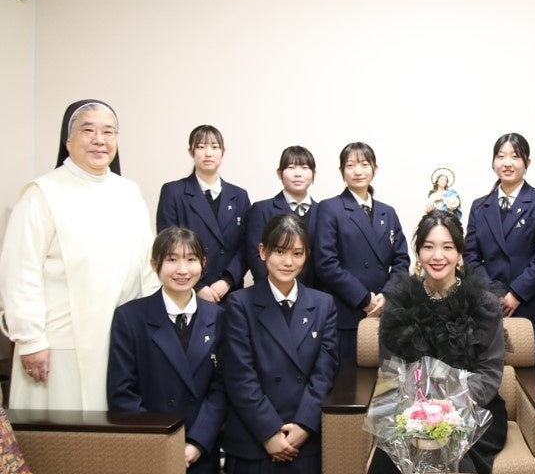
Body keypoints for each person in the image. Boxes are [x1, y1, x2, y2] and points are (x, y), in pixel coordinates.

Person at [0, 99, 158, 411]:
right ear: (68, 140)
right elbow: (20, 271)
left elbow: (147, 267)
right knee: (63, 432)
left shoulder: (129, 192)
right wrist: (31, 340)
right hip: (59, 346)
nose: (100, 140)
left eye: (108, 132)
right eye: (89, 130)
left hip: (119, 338)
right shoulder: (42, 193)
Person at [366, 210, 507, 474]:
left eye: (447, 247)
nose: (438, 256)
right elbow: (392, 371)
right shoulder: (399, 303)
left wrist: (446, 409)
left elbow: (489, 374)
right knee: (387, 462)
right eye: (429, 247)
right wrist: (419, 412)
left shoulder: (484, 304)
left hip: (471, 412)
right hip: (411, 411)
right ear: (418, 253)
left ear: (460, 252)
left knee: (452, 456)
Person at [220, 214, 339, 474]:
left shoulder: (323, 304)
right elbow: (239, 377)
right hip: (255, 441)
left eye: (297, 253)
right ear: (263, 252)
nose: (288, 262)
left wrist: (304, 426)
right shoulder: (239, 304)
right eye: (280, 252)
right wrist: (269, 432)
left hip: (303, 442)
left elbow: (324, 372)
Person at [107, 227, 226, 474]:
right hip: (151, 453)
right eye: (172, 259)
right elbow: (122, 392)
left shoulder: (219, 317)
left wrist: (196, 443)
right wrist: (162, 445)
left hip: (201, 453)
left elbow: (221, 389)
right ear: (154, 264)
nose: (182, 270)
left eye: (191, 259)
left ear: (203, 263)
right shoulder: (130, 317)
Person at [464, 133, 535, 367]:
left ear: (527, 162)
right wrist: (494, 294)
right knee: (491, 373)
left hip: (532, 305)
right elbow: (470, 256)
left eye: (515, 157)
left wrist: (516, 294)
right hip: (490, 306)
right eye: (501, 156)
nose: (507, 163)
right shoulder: (480, 206)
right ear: (493, 162)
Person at [314, 142, 410, 363]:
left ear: (375, 169)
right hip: (346, 311)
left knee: (386, 375)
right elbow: (326, 263)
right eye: (350, 165)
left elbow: (401, 259)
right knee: (347, 378)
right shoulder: (330, 208)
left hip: (384, 310)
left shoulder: (388, 212)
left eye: (364, 164)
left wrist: (387, 295)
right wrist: (363, 298)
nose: (358, 171)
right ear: (342, 171)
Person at [156, 125, 251, 304]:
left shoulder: (239, 196)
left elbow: (246, 246)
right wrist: (198, 286)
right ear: (191, 152)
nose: (208, 153)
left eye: (215, 147)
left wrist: (227, 280)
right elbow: (167, 244)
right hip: (187, 289)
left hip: (230, 292)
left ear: (223, 152)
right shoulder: (173, 192)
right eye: (201, 147)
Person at [245, 145, 319, 286]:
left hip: (315, 293)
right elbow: (255, 257)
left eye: (304, 168)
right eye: (291, 167)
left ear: (314, 174)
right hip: (270, 291)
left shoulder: (323, 211)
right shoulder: (261, 209)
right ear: (279, 173)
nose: (298, 174)